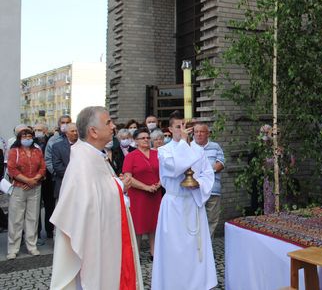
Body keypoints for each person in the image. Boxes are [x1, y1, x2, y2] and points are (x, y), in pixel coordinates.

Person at [50, 106, 143, 289]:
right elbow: (87, 203)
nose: (113, 126)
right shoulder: (82, 160)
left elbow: (99, 189)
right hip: (92, 244)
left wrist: (116, 184)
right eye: (108, 122)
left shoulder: (93, 155)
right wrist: (120, 185)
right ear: (93, 131)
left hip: (106, 237)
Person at [152, 111, 217, 290]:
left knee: (194, 250)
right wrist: (183, 143)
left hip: (192, 203)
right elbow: (175, 168)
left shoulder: (197, 150)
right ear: (170, 129)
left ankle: (197, 284)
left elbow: (208, 174)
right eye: (177, 127)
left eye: (184, 126)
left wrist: (199, 185)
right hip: (173, 204)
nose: (182, 130)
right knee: (174, 250)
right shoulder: (164, 151)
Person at [6, 127, 46, 259]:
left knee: (33, 218)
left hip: (35, 187)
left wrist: (34, 180)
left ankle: (32, 246)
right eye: (24, 136)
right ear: (19, 138)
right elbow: (11, 169)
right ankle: (13, 248)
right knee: (16, 219)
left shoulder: (37, 150)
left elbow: (42, 167)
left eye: (29, 136)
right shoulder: (14, 151)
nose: (27, 139)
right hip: (19, 187)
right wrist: (28, 180)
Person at [122, 128, 162, 259]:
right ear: (135, 141)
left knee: (154, 224)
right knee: (137, 225)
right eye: (142, 138)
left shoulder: (157, 154)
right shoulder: (130, 156)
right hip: (138, 196)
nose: (146, 140)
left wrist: (159, 184)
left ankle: (154, 252)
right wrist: (145, 187)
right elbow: (128, 177)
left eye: (147, 137)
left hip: (155, 194)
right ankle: (136, 254)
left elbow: (165, 172)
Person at [191, 122, 225, 237]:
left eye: (202, 132)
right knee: (194, 220)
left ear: (208, 134)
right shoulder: (189, 147)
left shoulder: (215, 147)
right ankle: (196, 248)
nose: (199, 134)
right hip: (194, 191)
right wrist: (208, 172)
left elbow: (220, 164)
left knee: (211, 220)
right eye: (196, 132)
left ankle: (207, 249)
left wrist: (203, 172)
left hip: (212, 190)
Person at [51, 123, 78, 202]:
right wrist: (74, 175)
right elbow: (57, 166)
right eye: (72, 131)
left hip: (82, 186)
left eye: (76, 131)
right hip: (64, 183)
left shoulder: (85, 146)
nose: (75, 133)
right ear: (66, 133)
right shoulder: (57, 147)